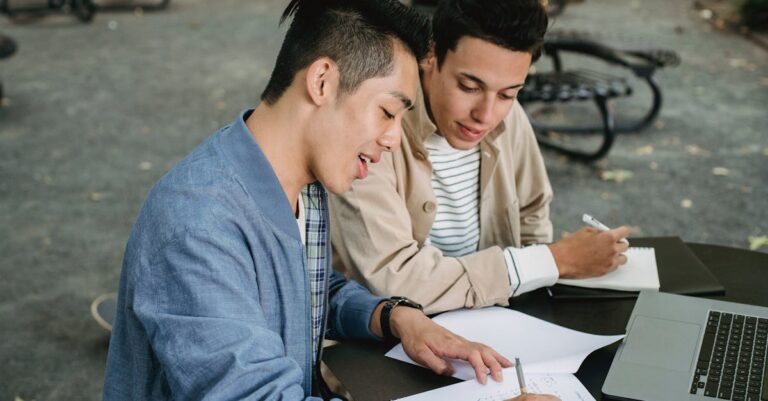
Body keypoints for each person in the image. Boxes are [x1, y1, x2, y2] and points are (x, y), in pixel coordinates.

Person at [102, 0, 559, 400]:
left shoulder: (297, 181)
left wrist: (394, 318)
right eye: (386, 111)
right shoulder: (199, 226)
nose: (393, 139)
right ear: (322, 81)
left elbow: (307, 288)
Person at [329, 0, 633, 314]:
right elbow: (393, 279)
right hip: (389, 337)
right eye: (469, 86)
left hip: (493, 320)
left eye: (507, 94)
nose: (485, 115)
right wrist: (555, 260)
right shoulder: (375, 131)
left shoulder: (509, 117)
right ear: (431, 55)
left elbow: (532, 215)